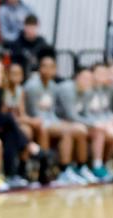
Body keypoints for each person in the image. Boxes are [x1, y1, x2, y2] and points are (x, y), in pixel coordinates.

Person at [24, 48, 90, 186]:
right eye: (45, 67)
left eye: (52, 67)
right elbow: (34, 113)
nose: (48, 70)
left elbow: (52, 112)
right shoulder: (32, 86)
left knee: (77, 130)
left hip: (51, 120)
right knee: (67, 131)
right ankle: (63, 170)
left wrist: (60, 122)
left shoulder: (54, 86)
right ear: (40, 68)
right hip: (39, 122)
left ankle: (76, 168)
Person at [0, 57, 38, 188]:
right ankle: (27, 145)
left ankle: (12, 175)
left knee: (10, 134)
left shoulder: (1, 90)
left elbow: (0, 111)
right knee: (9, 119)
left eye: (0, 71)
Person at [55, 67, 112, 183]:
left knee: (95, 130)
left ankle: (84, 167)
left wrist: (95, 124)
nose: (87, 81)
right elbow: (70, 115)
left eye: (90, 79)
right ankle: (65, 170)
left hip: (73, 122)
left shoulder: (87, 91)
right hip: (58, 120)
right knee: (80, 130)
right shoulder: (67, 89)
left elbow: (85, 113)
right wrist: (92, 123)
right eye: (85, 78)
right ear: (77, 77)